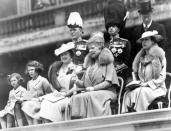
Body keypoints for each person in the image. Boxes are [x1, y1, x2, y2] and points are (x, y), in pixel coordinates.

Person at [70, 32, 119, 119]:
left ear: (100, 48)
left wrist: (93, 88)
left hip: (108, 92)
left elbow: (108, 83)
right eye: (89, 49)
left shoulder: (108, 63)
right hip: (93, 92)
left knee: (89, 96)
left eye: (93, 48)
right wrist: (76, 81)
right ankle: (82, 124)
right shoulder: (90, 65)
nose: (90, 51)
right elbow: (85, 84)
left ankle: (97, 123)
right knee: (76, 98)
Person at [122, 30, 167, 113]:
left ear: (153, 41)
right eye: (142, 40)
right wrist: (136, 84)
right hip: (143, 87)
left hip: (156, 88)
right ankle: (127, 117)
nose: (144, 42)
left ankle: (140, 116)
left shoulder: (159, 56)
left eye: (146, 40)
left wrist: (147, 84)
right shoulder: (141, 58)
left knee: (141, 92)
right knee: (127, 93)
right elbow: (138, 77)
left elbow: (162, 77)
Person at [38, 42, 81, 123]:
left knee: (54, 106)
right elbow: (52, 84)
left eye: (65, 54)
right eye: (61, 55)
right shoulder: (56, 68)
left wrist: (66, 94)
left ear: (71, 55)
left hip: (70, 96)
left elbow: (77, 86)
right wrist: (55, 91)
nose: (63, 56)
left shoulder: (77, 68)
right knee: (44, 103)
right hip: (58, 95)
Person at [104, 0, 132, 84]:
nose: (111, 28)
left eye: (113, 26)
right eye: (109, 26)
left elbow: (127, 62)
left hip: (122, 75)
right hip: (107, 76)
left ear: (119, 28)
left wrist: (116, 69)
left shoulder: (125, 43)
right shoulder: (105, 45)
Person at [21, 61, 52, 125]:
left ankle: (35, 125)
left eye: (32, 70)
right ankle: (30, 125)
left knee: (30, 106)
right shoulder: (29, 83)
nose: (30, 72)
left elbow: (50, 94)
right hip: (33, 103)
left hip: (42, 103)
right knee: (24, 104)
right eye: (29, 70)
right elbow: (28, 96)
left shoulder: (43, 80)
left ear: (37, 70)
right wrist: (23, 98)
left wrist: (39, 99)